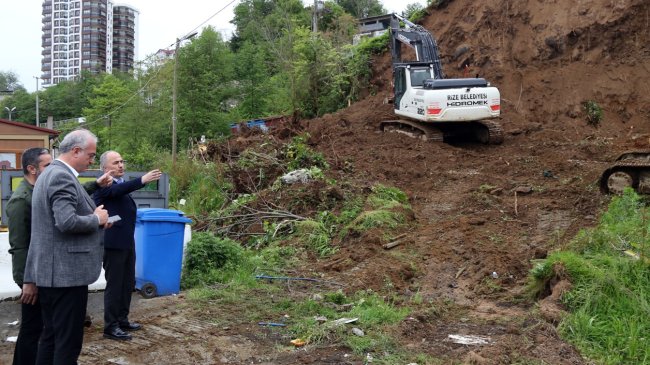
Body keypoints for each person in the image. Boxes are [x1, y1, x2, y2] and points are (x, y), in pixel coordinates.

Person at [7, 147, 112, 365]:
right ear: (31, 169)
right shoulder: (21, 199)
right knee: (35, 332)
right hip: (42, 274)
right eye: (46, 165)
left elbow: (71, 194)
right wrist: (27, 280)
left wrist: (97, 185)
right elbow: (21, 245)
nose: (51, 168)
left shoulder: (42, 186)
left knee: (49, 334)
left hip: (45, 271)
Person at [93, 151, 161, 341]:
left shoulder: (120, 185)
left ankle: (122, 319)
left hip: (126, 241)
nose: (121, 165)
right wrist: (142, 180)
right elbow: (115, 193)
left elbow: (120, 202)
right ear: (105, 168)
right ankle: (110, 326)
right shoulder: (104, 186)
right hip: (113, 243)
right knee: (115, 286)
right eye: (116, 163)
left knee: (127, 283)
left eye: (122, 161)